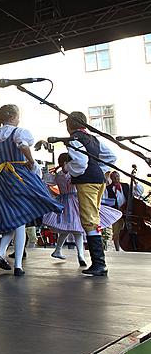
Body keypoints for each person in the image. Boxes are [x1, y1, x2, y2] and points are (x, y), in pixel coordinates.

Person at [0, 104, 62, 276]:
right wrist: (30, 161)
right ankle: (18, 265)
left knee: (14, 218)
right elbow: (23, 146)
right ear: (13, 117)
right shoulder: (18, 132)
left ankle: (1, 253)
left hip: (3, 178)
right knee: (21, 219)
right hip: (19, 176)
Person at [43, 153, 122, 266]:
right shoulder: (71, 174)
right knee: (76, 228)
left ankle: (60, 251)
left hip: (65, 202)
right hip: (74, 201)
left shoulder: (58, 175)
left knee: (69, 228)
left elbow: (46, 181)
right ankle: (80, 256)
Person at [63, 112, 117, 275]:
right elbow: (111, 156)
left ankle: (99, 264)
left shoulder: (75, 139)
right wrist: (100, 170)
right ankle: (99, 263)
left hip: (86, 181)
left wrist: (69, 169)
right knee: (93, 218)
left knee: (89, 220)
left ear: (69, 125)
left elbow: (79, 163)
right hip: (98, 180)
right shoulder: (93, 138)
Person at [105, 170, 144, 251]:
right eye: (114, 177)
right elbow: (106, 201)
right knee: (116, 232)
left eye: (117, 176)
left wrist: (134, 181)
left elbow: (139, 192)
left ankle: (131, 247)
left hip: (128, 213)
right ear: (111, 178)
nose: (116, 178)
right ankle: (117, 250)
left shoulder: (126, 186)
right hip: (116, 213)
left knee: (130, 231)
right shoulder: (108, 188)